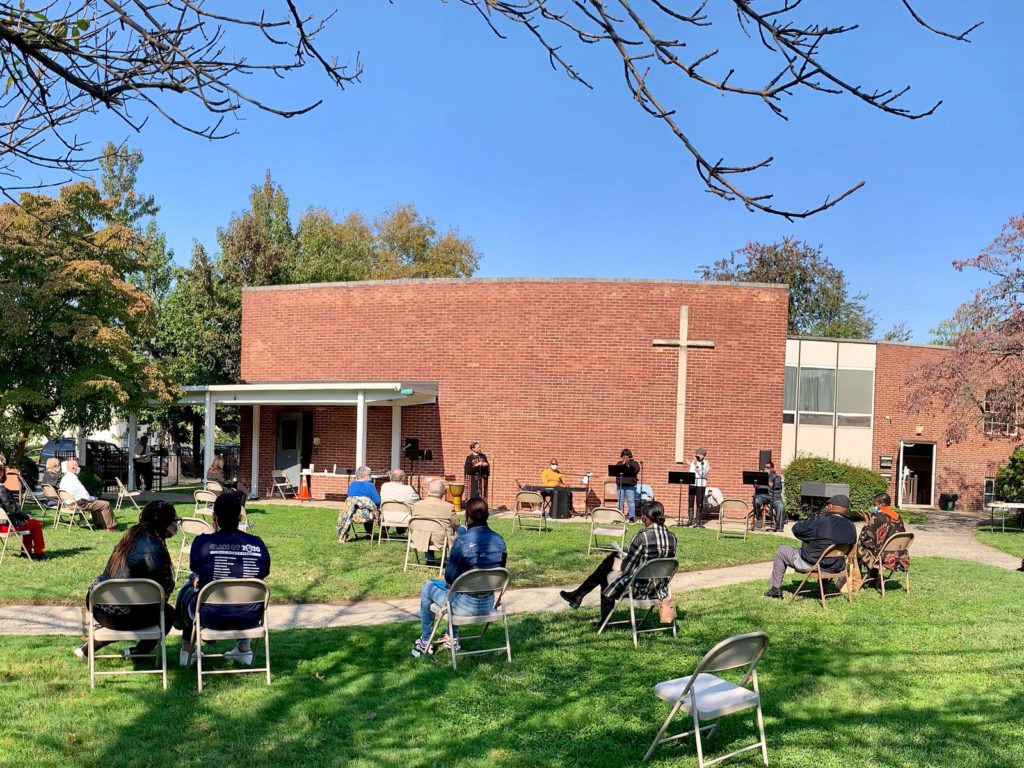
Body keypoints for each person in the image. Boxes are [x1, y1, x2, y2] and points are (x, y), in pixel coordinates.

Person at [73, 500, 178, 661]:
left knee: (129, 610)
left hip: (100, 606)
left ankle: (88, 649)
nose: (175, 526)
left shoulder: (129, 538)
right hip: (125, 613)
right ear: (163, 524)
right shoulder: (155, 551)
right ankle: (141, 652)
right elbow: (160, 592)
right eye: (173, 522)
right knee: (167, 613)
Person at [177, 493, 270, 667]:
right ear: (239, 518)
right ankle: (244, 648)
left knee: (190, 587)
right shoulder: (257, 544)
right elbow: (263, 572)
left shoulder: (202, 543)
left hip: (210, 616)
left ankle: (187, 650)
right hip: (250, 616)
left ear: (214, 518)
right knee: (244, 588)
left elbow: (195, 567)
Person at [412, 497, 507, 656]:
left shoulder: (462, 542)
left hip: (462, 606)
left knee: (427, 588)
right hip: (488, 603)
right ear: (487, 516)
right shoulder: (499, 540)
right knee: (455, 589)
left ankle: (425, 640)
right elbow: (500, 569)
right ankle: (451, 637)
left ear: (468, 517)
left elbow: (449, 578)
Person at [559, 500, 676, 621]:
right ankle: (578, 596)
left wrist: (623, 562)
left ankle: (592, 608)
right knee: (610, 563)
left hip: (638, 589)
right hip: (658, 590)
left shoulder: (642, 537)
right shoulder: (672, 537)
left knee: (607, 568)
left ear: (645, 518)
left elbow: (627, 568)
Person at [763, 493, 856, 599]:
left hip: (812, 564)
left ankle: (776, 590)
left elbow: (796, 529)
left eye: (827, 505)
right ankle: (822, 590)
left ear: (830, 506)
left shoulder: (820, 520)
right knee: (824, 552)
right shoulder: (851, 526)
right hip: (836, 567)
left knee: (782, 550)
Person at [856, 492, 909, 583]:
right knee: (876, 546)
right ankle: (873, 579)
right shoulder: (898, 516)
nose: (874, 507)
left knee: (859, 551)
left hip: (883, 556)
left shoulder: (878, 517)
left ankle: (858, 581)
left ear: (882, 505)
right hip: (900, 554)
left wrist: (867, 522)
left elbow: (865, 536)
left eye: (875, 505)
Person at [0, 463, 47, 560]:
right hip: (5, 526)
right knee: (36, 523)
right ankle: (39, 553)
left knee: (30, 523)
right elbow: (13, 511)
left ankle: (26, 551)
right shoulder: (2, 490)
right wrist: (26, 515)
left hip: (2, 524)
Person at [410, 478, 461, 562]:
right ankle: (457, 560)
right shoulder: (448, 507)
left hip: (420, 538)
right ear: (443, 492)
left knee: (426, 529)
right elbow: (456, 525)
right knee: (462, 529)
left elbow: (414, 522)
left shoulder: (417, 505)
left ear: (428, 491)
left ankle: (429, 559)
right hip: (440, 539)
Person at [59, 458, 117, 531]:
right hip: (79, 504)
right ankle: (110, 527)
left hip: (68, 504)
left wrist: (92, 499)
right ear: (74, 468)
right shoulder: (73, 480)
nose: (78, 468)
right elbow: (85, 496)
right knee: (105, 504)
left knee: (96, 503)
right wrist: (93, 498)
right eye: (77, 466)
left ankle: (98, 524)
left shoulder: (64, 478)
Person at [337, 466, 381, 542]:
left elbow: (349, 500)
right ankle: (379, 533)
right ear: (366, 476)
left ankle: (368, 533)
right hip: (367, 515)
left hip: (352, 514)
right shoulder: (370, 485)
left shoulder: (352, 485)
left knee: (365, 508)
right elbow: (377, 501)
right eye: (370, 475)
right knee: (372, 508)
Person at [753, 461, 785, 532]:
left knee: (780, 507)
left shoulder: (777, 478)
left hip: (774, 497)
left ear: (772, 469)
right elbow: (755, 486)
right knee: (756, 500)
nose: (765, 469)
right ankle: (759, 519)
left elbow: (775, 486)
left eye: (768, 468)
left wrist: (765, 480)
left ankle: (779, 527)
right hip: (762, 496)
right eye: (765, 467)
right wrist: (758, 478)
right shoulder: (760, 477)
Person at [615, 448, 640, 522]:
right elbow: (616, 472)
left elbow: (635, 471)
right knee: (620, 501)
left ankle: (631, 517)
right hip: (621, 485)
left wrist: (627, 464)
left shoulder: (634, 463)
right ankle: (618, 517)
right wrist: (623, 464)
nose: (625, 457)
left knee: (631, 501)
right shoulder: (619, 463)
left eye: (627, 455)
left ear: (630, 456)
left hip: (630, 485)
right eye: (623, 455)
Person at [687, 448, 709, 526]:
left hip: (701, 484)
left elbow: (702, 473)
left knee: (699, 502)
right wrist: (690, 464)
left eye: (700, 454)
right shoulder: (693, 462)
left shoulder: (705, 463)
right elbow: (691, 473)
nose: (699, 455)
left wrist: (696, 465)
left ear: (703, 456)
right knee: (690, 500)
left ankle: (698, 520)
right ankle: (690, 519)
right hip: (692, 483)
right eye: (697, 454)